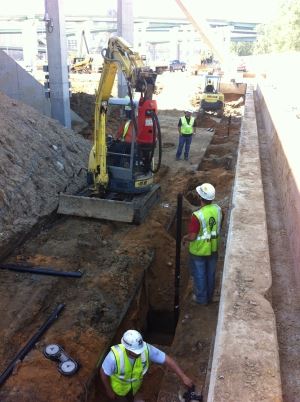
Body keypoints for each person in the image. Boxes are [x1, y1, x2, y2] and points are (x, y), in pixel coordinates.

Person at [100, 329, 193, 401]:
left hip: (136, 387)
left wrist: (183, 376)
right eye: (136, 352)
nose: (139, 353)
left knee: (136, 397)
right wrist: (109, 390)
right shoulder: (114, 357)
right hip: (119, 390)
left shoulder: (145, 349)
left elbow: (167, 360)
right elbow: (103, 373)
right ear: (127, 348)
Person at [182, 183, 223, 305]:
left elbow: (193, 236)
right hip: (213, 248)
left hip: (199, 251)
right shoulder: (218, 209)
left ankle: (201, 299)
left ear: (200, 197)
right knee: (210, 274)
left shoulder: (197, 216)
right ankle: (209, 296)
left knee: (200, 275)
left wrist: (185, 237)